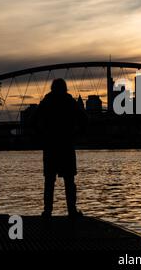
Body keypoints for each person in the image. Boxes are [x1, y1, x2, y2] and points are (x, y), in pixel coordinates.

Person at [35, 78, 88, 218]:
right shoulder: (70, 102)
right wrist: (76, 133)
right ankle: (72, 210)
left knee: (49, 181)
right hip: (66, 145)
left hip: (50, 146)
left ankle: (47, 211)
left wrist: (43, 134)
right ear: (65, 88)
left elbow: (34, 119)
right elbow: (84, 119)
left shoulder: (46, 102)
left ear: (52, 88)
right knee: (69, 181)